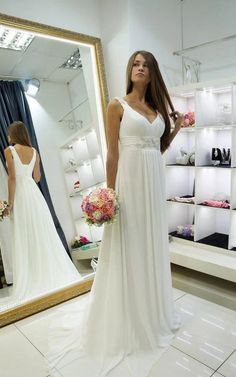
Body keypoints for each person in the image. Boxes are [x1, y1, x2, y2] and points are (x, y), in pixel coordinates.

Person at [48, 51, 184, 377]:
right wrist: (108, 196)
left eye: (146, 65)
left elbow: (157, 147)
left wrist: (175, 127)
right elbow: (113, 153)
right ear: (130, 70)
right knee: (129, 246)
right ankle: (130, 319)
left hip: (153, 185)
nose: (140, 68)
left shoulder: (155, 110)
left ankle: (152, 312)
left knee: (150, 245)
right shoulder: (117, 105)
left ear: (152, 74)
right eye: (136, 64)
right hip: (130, 185)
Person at [3, 121, 82, 302]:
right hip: (35, 196)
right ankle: (48, 274)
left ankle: (33, 277)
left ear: (13, 134)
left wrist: (10, 203)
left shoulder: (10, 151)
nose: (8, 136)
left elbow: (12, 178)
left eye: (9, 133)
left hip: (22, 197)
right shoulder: (34, 152)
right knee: (41, 233)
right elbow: (37, 178)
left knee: (24, 235)